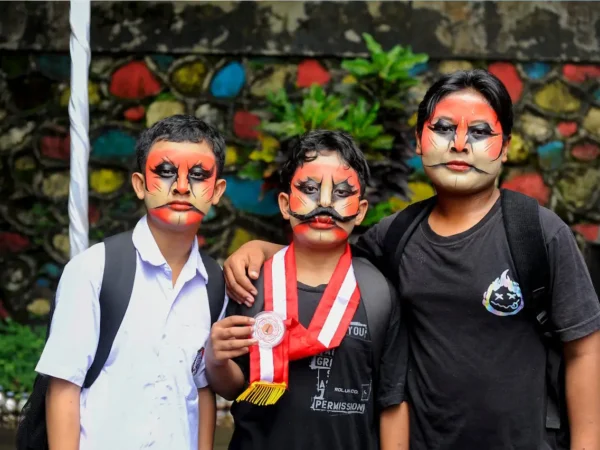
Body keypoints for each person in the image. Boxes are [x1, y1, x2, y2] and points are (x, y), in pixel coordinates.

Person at [222, 70, 600, 450]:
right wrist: (263, 248)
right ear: (420, 139)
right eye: (444, 128)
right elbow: (327, 254)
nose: (459, 145)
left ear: (505, 147)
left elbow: (584, 349)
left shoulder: (536, 232)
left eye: (480, 132)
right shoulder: (396, 236)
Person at [205, 130, 409, 450]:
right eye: (310, 189)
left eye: (341, 192)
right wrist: (216, 360)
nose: (325, 203)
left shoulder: (378, 292)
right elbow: (234, 387)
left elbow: (392, 400)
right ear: (285, 205)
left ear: (361, 211)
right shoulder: (250, 283)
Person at [34, 115, 228, 450]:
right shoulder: (94, 269)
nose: (182, 187)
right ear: (139, 185)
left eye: (198, 175)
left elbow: (202, 389)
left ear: (217, 191)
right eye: (165, 172)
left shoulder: (213, 283)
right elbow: (64, 386)